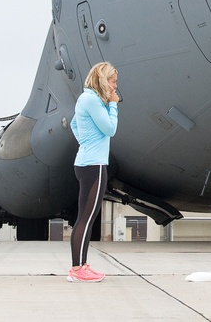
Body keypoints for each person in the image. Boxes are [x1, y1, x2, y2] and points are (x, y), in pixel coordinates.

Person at [68, 62, 121, 283]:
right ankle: (78, 269)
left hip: (86, 162)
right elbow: (110, 129)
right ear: (103, 80)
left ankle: (80, 265)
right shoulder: (92, 100)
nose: (115, 86)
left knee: (85, 217)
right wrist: (113, 105)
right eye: (113, 81)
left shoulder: (86, 98)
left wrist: (86, 143)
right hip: (94, 165)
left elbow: (73, 124)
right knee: (86, 218)